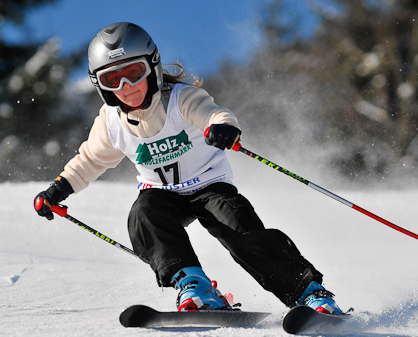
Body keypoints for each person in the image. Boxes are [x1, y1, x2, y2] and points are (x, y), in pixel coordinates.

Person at [34, 22, 342, 315]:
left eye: (134, 73)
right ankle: (194, 285)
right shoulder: (111, 122)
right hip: (162, 194)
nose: (126, 87)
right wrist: (58, 189)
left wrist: (222, 128)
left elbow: (214, 113)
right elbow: (90, 160)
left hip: (209, 186)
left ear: (152, 67)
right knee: (143, 216)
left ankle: (307, 292)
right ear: (100, 86)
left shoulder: (180, 99)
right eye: (112, 80)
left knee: (239, 229)